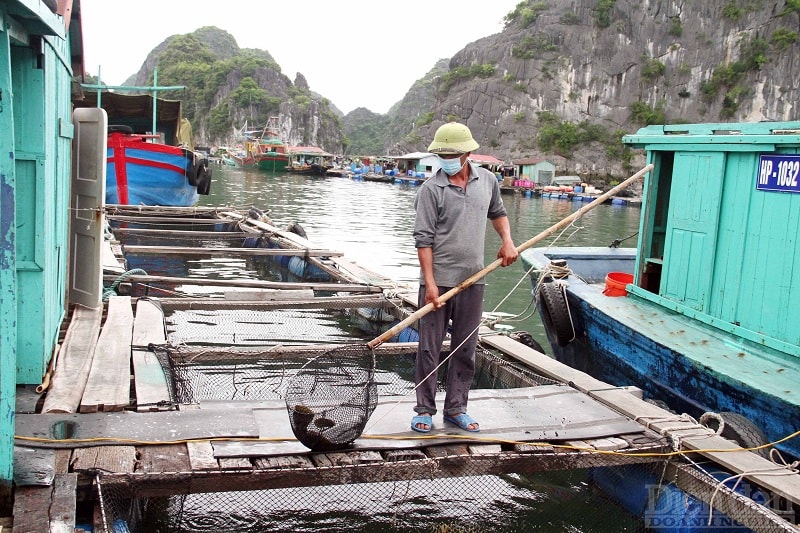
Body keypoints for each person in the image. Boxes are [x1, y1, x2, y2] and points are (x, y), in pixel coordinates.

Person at [410, 122, 518, 433]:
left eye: (451, 153)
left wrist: (507, 241)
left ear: (467, 153)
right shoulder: (431, 190)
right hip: (438, 282)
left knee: (465, 348)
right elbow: (423, 240)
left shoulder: (487, 180)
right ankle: (424, 410)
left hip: (474, 278)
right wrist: (430, 283)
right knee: (429, 348)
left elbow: (498, 213)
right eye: (441, 154)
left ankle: (456, 407)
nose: (445, 158)